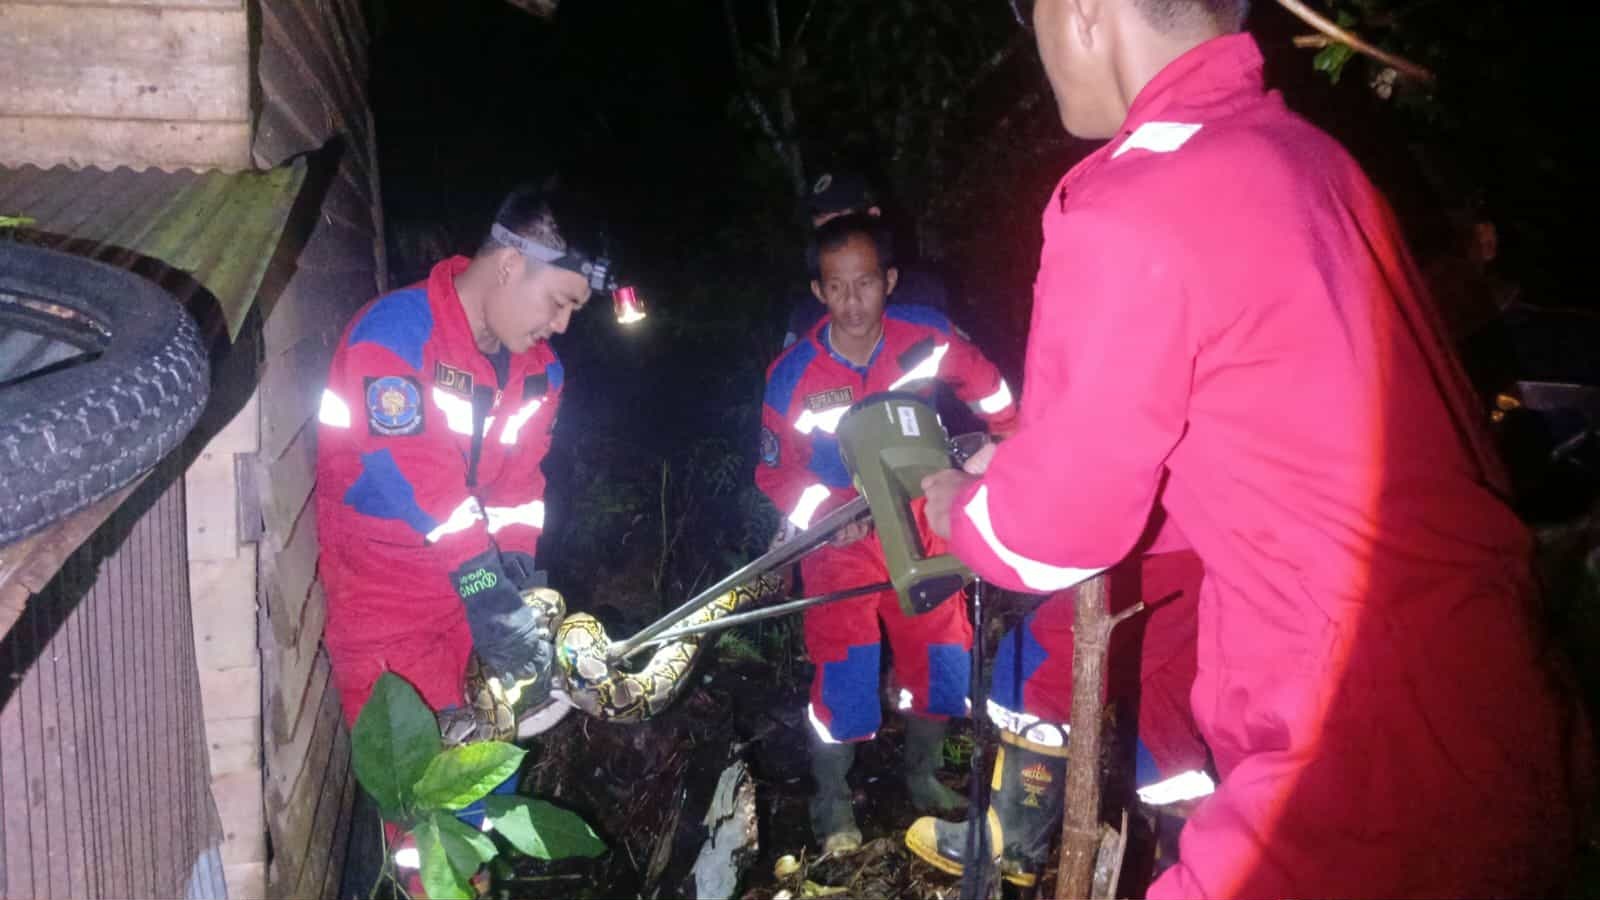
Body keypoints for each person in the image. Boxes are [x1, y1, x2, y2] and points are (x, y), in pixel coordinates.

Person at [916, 1, 1589, 897]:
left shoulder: (1131, 203)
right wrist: (1030, 461)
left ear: (1081, 11)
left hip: (1355, 749)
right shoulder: (1307, 158)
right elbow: (1260, 453)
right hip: (1505, 697)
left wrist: (950, 501)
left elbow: (1043, 539)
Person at [315, 185, 603, 894]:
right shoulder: (393, 337)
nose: (562, 325)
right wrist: (488, 593)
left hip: (469, 599)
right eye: (558, 302)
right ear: (510, 265)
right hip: (384, 603)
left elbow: (518, 485)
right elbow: (424, 488)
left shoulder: (540, 372)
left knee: (471, 799)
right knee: (419, 819)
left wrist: (518, 575)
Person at [756, 213, 1019, 853]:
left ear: (889, 281)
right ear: (819, 292)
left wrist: (1007, 443)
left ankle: (924, 780)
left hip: (924, 513)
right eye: (837, 287)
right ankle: (833, 807)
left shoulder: (923, 336)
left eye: (866, 284)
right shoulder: (792, 375)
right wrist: (822, 520)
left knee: (941, 654)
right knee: (844, 671)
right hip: (841, 540)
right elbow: (774, 473)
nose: (853, 302)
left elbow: (989, 388)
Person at [780, 169, 950, 349]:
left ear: (873, 216)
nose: (830, 242)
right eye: (821, 230)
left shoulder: (924, 295)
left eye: (840, 226)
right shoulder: (806, 315)